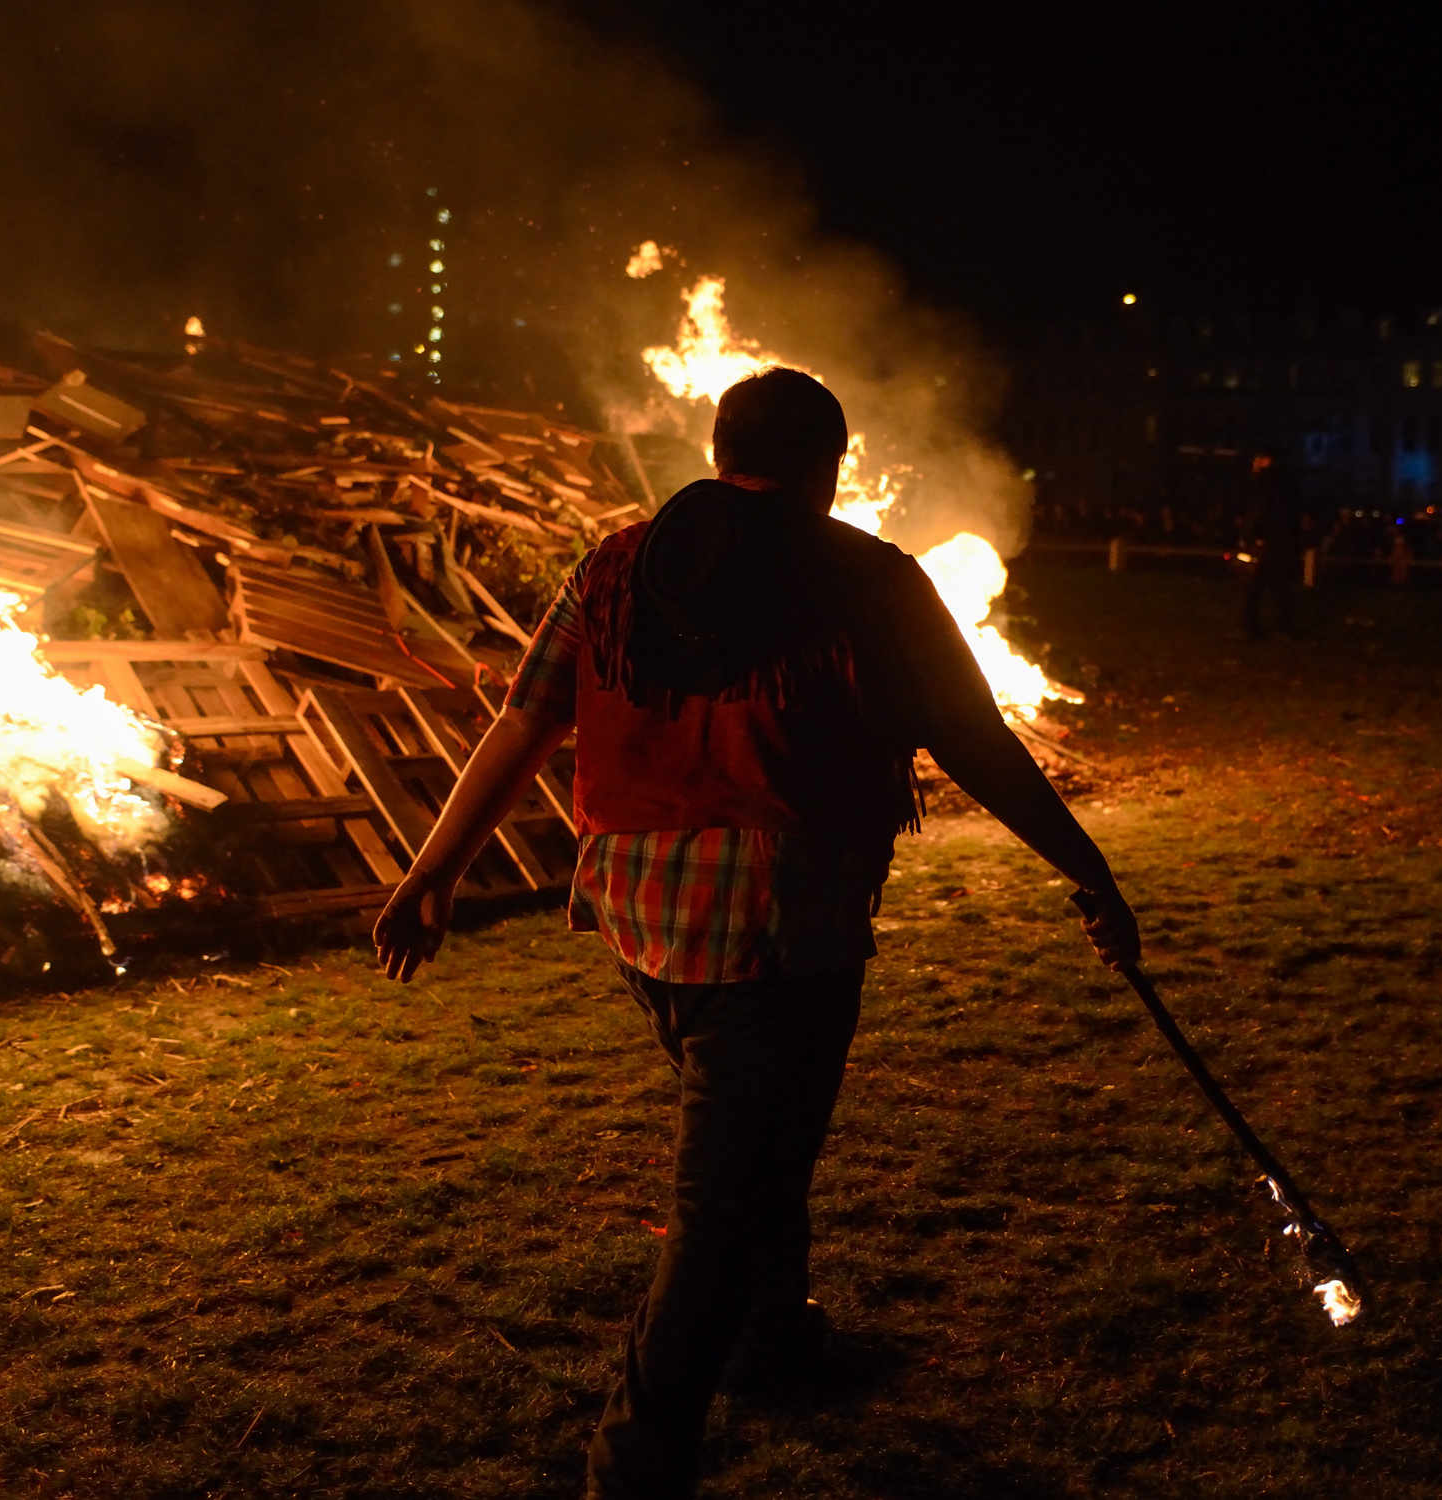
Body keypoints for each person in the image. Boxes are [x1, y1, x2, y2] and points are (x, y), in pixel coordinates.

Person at [372, 367, 1140, 1500]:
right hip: (783, 929)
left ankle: (774, 1340)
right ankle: (631, 1469)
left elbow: (527, 719)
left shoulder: (618, 562)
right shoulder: (867, 578)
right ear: (833, 466)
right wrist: (1090, 871)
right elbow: (975, 739)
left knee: (758, 1152)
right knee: (719, 1212)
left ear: (717, 446)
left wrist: (427, 873)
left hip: (636, 921)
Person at [1238, 447, 1301, 637]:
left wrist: (1254, 535)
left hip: (1264, 542)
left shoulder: (1264, 481)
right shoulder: (1288, 481)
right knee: (1280, 585)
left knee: (1251, 586)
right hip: (1282, 542)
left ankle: (1250, 628)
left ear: (1265, 460)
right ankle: (1284, 627)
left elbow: (1259, 510)